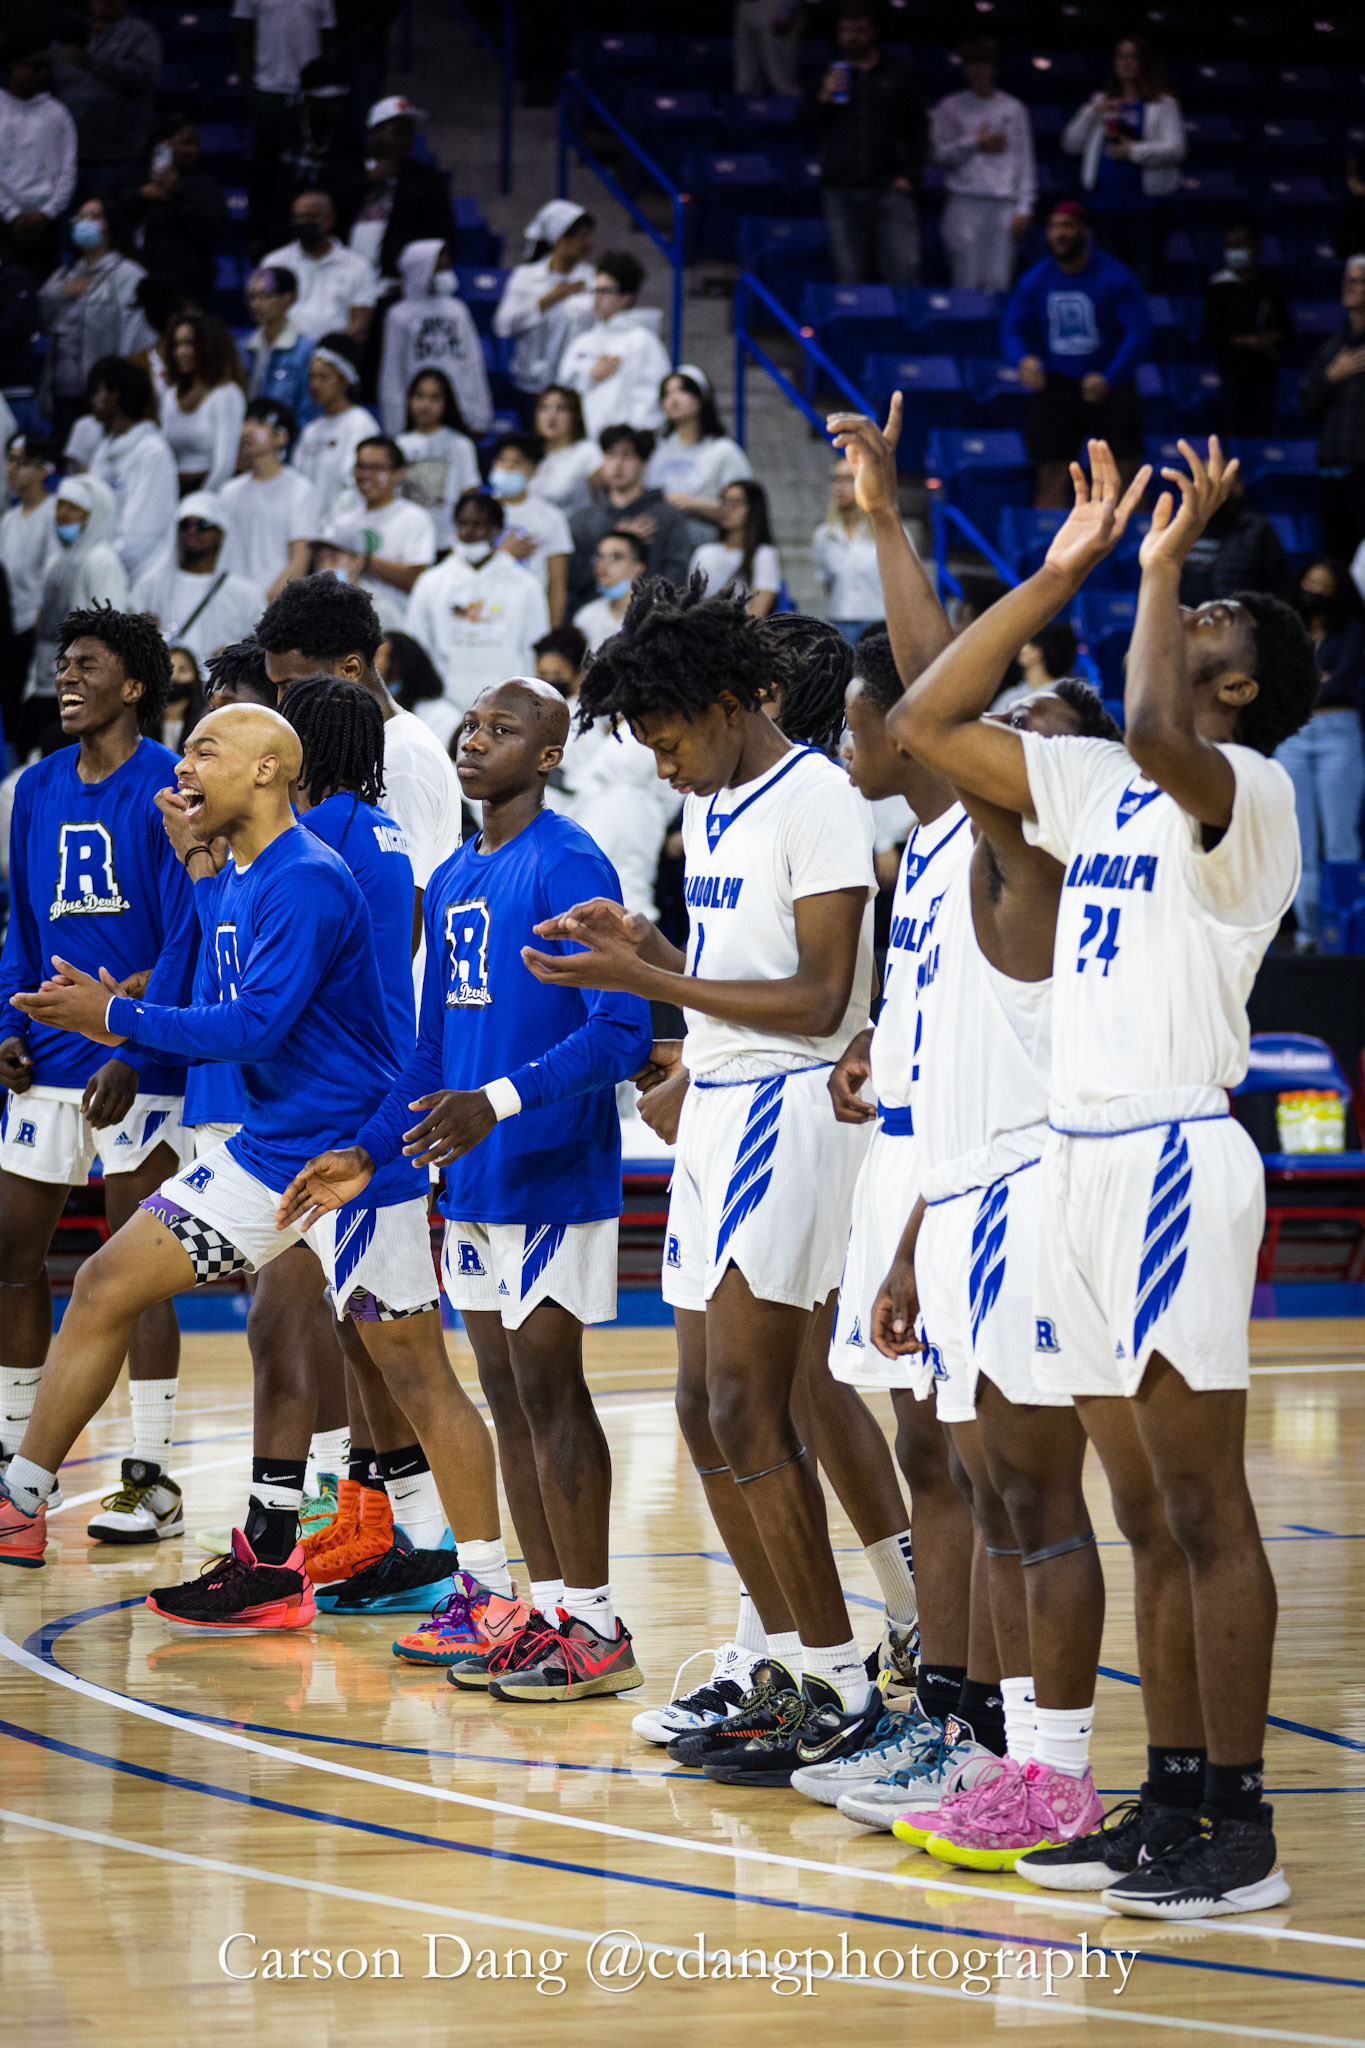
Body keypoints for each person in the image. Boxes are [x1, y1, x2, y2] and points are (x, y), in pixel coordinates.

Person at [887, 436, 1316, 1920]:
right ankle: (1173, 1793)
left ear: (1239, 688)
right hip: (1072, 1164)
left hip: (1172, 1156)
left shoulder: (1244, 789)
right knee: (1141, 1516)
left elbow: (1144, 716)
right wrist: (1058, 572)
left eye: (1213, 617)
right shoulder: (1092, 788)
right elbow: (925, 721)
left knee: (1205, 1508)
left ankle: (1241, 1826)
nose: (1189, 613)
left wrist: (1156, 565)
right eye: (1187, 602)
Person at [0, 698, 502, 1626]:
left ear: (267, 769)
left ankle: (488, 1591)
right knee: (107, 1280)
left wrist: (114, 1018)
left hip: (354, 1163)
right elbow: (218, 968)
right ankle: (21, 1499)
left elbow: (253, 1026)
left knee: (412, 1374)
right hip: (270, 1154)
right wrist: (194, 863)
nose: (182, 767)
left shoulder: (306, 877)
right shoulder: (240, 872)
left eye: (204, 750)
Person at [523, 576, 887, 1780]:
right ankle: (781, 1656)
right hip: (724, 1107)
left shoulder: (818, 797)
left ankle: (837, 1677)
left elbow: (820, 998)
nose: (661, 763)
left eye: (670, 737)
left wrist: (652, 985)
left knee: (748, 1402)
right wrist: (652, 947)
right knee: (698, 1403)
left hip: (790, 1107)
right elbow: (737, 968)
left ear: (731, 703)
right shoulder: (719, 802)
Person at [278, 678, 654, 1694]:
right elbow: (429, 1049)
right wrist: (372, 1150)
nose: (475, 740)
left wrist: (497, 1100)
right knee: (510, 1401)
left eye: (504, 728)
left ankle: (598, 1623)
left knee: (552, 1392)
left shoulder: (568, 858)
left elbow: (622, 1032)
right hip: (472, 1177)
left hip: (551, 1167)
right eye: (471, 725)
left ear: (550, 754)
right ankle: (542, 1611)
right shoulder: (449, 876)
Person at [0, 605, 195, 1540]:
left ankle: (151, 1478)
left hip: (138, 1060)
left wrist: (140, 1049)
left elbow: (189, 937)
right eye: (62, 663)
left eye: (87, 663)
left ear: (134, 684)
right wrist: (8, 1022)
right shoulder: (35, 786)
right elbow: (22, 925)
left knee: (134, 1267)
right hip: (48, 1059)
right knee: (11, 1255)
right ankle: (12, 1457)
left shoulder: (171, 786)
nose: (66, 676)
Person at [253, 575, 462, 938]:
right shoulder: (378, 746)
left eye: (291, 685)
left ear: (349, 670)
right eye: (277, 687)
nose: (282, 703)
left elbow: (401, 924)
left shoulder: (403, 761)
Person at [1002, 200, 1152, 508]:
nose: (1060, 233)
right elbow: (1011, 330)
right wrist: (1022, 359)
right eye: (1054, 227)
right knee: (1051, 472)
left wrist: (1110, 377)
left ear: (1085, 231)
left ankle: (1135, 538)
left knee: (1125, 473)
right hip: (1057, 384)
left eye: (1068, 226)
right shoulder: (1035, 279)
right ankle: (1051, 537)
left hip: (1109, 385)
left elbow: (1139, 333)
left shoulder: (1115, 277)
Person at [406, 490, 551, 740]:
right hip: (443, 707)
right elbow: (416, 647)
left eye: (479, 525)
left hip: (508, 706)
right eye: (463, 524)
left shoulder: (525, 585)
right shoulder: (431, 583)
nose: (470, 532)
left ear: (497, 530)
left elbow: (535, 647)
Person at [802, 0, 925, 288]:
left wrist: (910, 174)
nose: (852, 37)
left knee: (905, 273)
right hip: (840, 190)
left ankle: (903, 321)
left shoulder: (899, 73)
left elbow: (918, 129)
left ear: (873, 32)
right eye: (845, 31)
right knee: (850, 278)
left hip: (889, 189)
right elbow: (804, 125)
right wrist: (823, 97)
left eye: (859, 30)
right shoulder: (827, 74)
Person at [1278, 558, 1365, 948]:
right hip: (1293, 735)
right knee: (1300, 842)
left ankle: (1346, 932)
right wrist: (1314, 683)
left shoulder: (1352, 629)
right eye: (1311, 584)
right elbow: (1276, 682)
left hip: (1338, 734)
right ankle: (1309, 932)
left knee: (1341, 840)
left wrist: (1302, 684)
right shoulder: (1288, 630)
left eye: (1325, 587)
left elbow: (1343, 683)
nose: (1316, 592)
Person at [1061, 35, 1184, 290]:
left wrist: (1134, 152)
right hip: (1104, 206)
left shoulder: (1164, 104)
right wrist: (1093, 113)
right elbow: (1070, 144)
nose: (1126, 62)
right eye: (1121, 56)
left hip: (1145, 208)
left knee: (1143, 280)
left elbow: (1176, 150)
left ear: (1144, 62)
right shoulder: (1099, 102)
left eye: (1133, 57)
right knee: (1107, 280)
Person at [36, 196, 150, 449]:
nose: (85, 222)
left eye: (94, 216)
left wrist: (118, 386)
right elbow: (40, 320)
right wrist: (59, 292)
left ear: (110, 225)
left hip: (105, 392)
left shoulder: (128, 274)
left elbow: (133, 337)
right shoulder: (64, 274)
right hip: (63, 390)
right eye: (81, 217)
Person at [21, 474, 127, 746]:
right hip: (44, 681)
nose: (63, 514)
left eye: (73, 508)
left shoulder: (101, 560)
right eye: (60, 505)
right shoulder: (56, 559)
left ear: (92, 515)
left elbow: (110, 628)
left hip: (78, 686)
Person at [929, 37, 1036, 295]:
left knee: (999, 283)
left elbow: (1025, 161)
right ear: (964, 68)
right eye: (972, 64)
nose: (978, 70)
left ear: (993, 67)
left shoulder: (1014, 108)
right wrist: (975, 143)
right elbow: (938, 156)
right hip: (964, 203)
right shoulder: (949, 107)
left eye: (984, 64)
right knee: (964, 280)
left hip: (1003, 204)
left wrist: (1024, 208)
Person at [566, 423, 692, 611]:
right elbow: (572, 579)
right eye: (610, 455)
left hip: (652, 616)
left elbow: (677, 578)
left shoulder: (668, 516)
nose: (617, 464)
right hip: (594, 616)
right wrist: (617, 542)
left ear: (644, 463)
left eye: (627, 455)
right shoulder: (582, 519)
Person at [130, 491, 267, 664]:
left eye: (203, 525)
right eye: (185, 525)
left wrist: (235, 651)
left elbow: (260, 644)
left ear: (220, 533)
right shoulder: (150, 584)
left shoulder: (247, 593)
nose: (192, 531)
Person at [336, 95, 456, 291]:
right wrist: (368, 181)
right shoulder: (347, 170)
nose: (407, 141)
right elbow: (332, 210)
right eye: (399, 133)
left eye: (410, 134)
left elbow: (443, 236)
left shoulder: (427, 180)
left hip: (398, 286)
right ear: (375, 135)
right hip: (344, 280)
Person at [377, 239, 492, 439]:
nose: (446, 275)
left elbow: (473, 363)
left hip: (460, 408)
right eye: (440, 269)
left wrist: (480, 414)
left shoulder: (458, 310)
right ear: (421, 270)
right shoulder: (399, 315)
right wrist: (394, 423)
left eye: (447, 268)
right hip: (418, 411)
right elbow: (392, 372)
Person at [322, 435, 437, 633]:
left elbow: (417, 580)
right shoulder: (343, 520)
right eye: (360, 467)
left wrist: (366, 561)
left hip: (396, 626)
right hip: (347, 626)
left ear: (398, 473)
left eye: (375, 468)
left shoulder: (414, 518)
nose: (365, 475)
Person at [116, 116, 231, 313]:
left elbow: (213, 232)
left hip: (188, 290)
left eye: (195, 144)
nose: (193, 150)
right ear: (162, 145)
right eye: (186, 143)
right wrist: (140, 196)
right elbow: (111, 215)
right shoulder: (133, 182)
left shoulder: (205, 187)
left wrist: (179, 192)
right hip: (135, 287)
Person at [555, 252, 671, 442]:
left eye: (604, 291)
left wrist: (630, 446)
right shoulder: (582, 342)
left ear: (626, 296)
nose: (596, 298)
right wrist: (589, 377)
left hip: (622, 448)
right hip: (581, 446)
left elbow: (650, 403)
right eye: (594, 290)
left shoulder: (643, 342)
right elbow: (561, 393)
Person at [493, 202, 596, 414]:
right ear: (560, 239)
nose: (588, 243)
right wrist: (549, 299)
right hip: (532, 388)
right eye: (582, 236)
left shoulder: (591, 278)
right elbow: (503, 326)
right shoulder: (525, 277)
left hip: (574, 386)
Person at [51, 0, 162, 196]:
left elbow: (143, 78)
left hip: (116, 153)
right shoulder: (69, 32)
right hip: (68, 153)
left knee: (109, 212)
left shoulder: (141, 34)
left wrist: (91, 62)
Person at [86, 355, 179, 581]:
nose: (91, 400)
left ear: (114, 395)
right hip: (101, 570)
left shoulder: (152, 453)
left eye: (97, 392)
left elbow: (140, 537)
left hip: (137, 577)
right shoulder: (103, 449)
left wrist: (101, 569)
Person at [644, 366, 753, 552]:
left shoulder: (725, 451)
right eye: (667, 394)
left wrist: (692, 503)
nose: (673, 400)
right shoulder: (656, 450)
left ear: (703, 396)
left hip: (709, 543)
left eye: (682, 391)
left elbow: (746, 507)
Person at [220, 398, 321, 597]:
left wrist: (271, 603)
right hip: (228, 598)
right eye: (246, 422)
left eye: (259, 423)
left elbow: (299, 559)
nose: (247, 430)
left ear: (281, 436)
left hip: (272, 600)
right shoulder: (229, 490)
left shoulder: (300, 489)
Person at [1201, 225, 1293, 443]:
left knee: (1262, 433)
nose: (1235, 250)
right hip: (1231, 374)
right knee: (1231, 433)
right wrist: (1244, 341)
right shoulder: (1218, 285)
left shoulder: (1272, 285)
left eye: (1240, 244)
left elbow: (1288, 333)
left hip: (1265, 374)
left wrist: (1270, 339)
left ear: (1257, 246)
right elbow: (1209, 335)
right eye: (1230, 245)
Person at [1302, 255, 1365, 563]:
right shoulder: (1332, 346)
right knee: (1335, 564)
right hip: (1330, 473)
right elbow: (1308, 409)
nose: (1349, 287)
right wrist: (1331, 377)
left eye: (1358, 281)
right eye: (1346, 280)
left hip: (1362, 473)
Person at [0, 30, 76, 267]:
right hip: (3, 220)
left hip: (47, 222)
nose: (43, 73)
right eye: (36, 67)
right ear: (14, 67)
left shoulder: (58, 113)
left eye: (47, 67)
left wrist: (47, 213)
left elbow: (68, 170)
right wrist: (11, 214)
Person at [264, 190, 376, 344]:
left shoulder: (358, 265)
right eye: (299, 217)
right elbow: (265, 314)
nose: (305, 222)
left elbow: (360, 326)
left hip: (335, 351)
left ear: (330, 219)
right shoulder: (275, 262)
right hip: (284, 348)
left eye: (312, 216)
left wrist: (328, 351)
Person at [289, 334, 380, 523]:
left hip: (342, 530)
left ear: (345, 379)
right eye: (312, 377)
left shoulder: (360, 424)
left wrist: (335, 530)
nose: (315, 385)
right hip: (307, 528)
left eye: (324, 377)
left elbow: (357, 487)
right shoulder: (311, 430)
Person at [485, 431, 572, 623]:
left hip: (530, 614)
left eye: (516, 463)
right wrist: (502, 555)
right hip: (485, 609)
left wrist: (553, 634)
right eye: (502, 460)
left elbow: (557, 585)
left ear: (534, 470)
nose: (507, 468)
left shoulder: (551, 517)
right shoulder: (478, 512)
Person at [812, 454, 901, 641]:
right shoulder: (823, 535)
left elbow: (903, 585)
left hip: (879, 624)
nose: (839, 486)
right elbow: (827, 583)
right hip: (838, 621)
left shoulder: (889, 532)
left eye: (848, 479)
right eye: (836, 479)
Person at [158, 313, 249, 495]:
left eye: (188, 344)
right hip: (173, 488)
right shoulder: (170, 395)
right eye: (176, 345)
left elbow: (225, 465)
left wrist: (200, 501)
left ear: (208, 346)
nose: (180, 352)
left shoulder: (226, 394)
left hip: (209, 489)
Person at [0, 431, 57, 721]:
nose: (11, 468)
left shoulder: (53, 513)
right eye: (9, 459)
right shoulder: (8, 519)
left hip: (36, 627)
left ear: (44, 468)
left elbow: (53, 574)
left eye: (20, 461)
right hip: (8, 624)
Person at [396, 367, 479, 554]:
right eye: (419, 396)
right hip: (406, 539)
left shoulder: (461, 444)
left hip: (448, 542)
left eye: (434, 398)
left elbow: (469, 493)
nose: (425, 404)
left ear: (446, 402)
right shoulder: (399, 444)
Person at [1178, 473, 1289, 610]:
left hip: (1238, 617)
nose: (1213, 488)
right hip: (1188, 616)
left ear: (1238, 486)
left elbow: (1279, 583)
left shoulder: (1256, 527)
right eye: (1206, 481)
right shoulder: (1187, 526)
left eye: (1219, 480)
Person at [688, 480, 782, 616]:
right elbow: (692, 603)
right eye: (724, 501)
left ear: (753, 509)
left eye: (736, 503)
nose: (727, 508)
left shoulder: (763, 554)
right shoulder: (704, 552)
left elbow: (757, 613)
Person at [242, 266, 317, 427]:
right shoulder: (244, 347)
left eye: (265, 296)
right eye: (252, 297)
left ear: (288, 298)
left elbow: (307, 409)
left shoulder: (305, 351)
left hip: (284, 434)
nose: (255, 304)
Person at [528, 383, 600, 515]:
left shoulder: (587, 452)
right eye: (544, 408)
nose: (551, 415)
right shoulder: (530, 455)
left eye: (561, 409)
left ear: (575, 416)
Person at [573, 531, 646, 655]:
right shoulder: (586, 617)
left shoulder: (655, 618)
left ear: (638, 567)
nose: (602, 565)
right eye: (599, 557)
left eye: (615, 557)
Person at [993, 616, 1080, 711]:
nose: (1019, 648)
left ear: (1037, 653)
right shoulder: (1011, 696)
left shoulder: (1069, 697)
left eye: (1026, 643)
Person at [734, 0, 802, 96]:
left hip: (775, 7)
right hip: (746, 6)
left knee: (781, 80)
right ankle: (747, 103)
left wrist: (785, 10)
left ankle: (793, 103)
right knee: (747, 79)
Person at [162, 645, 205, 752]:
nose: (174, 676)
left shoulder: (205, 721)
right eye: (169, 670)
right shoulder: (140, 724)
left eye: (182, 670)